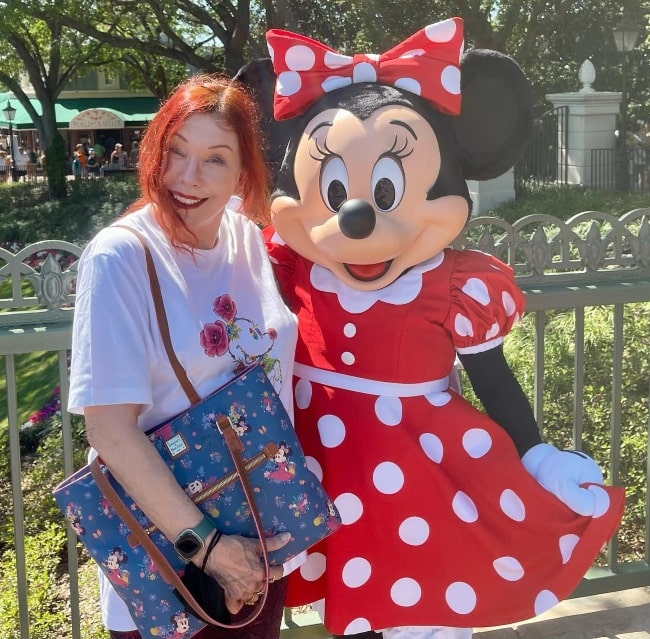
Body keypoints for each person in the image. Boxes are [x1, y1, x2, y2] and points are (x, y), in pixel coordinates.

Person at [67, 74, 299, 639]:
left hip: (262, 537)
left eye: (215, 159)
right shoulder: (121, 256)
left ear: (243, 173)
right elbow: (110, 430)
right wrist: (212, 549)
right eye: (176, 151)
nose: (187, 178)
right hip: (179, 563)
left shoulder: (246, 238)